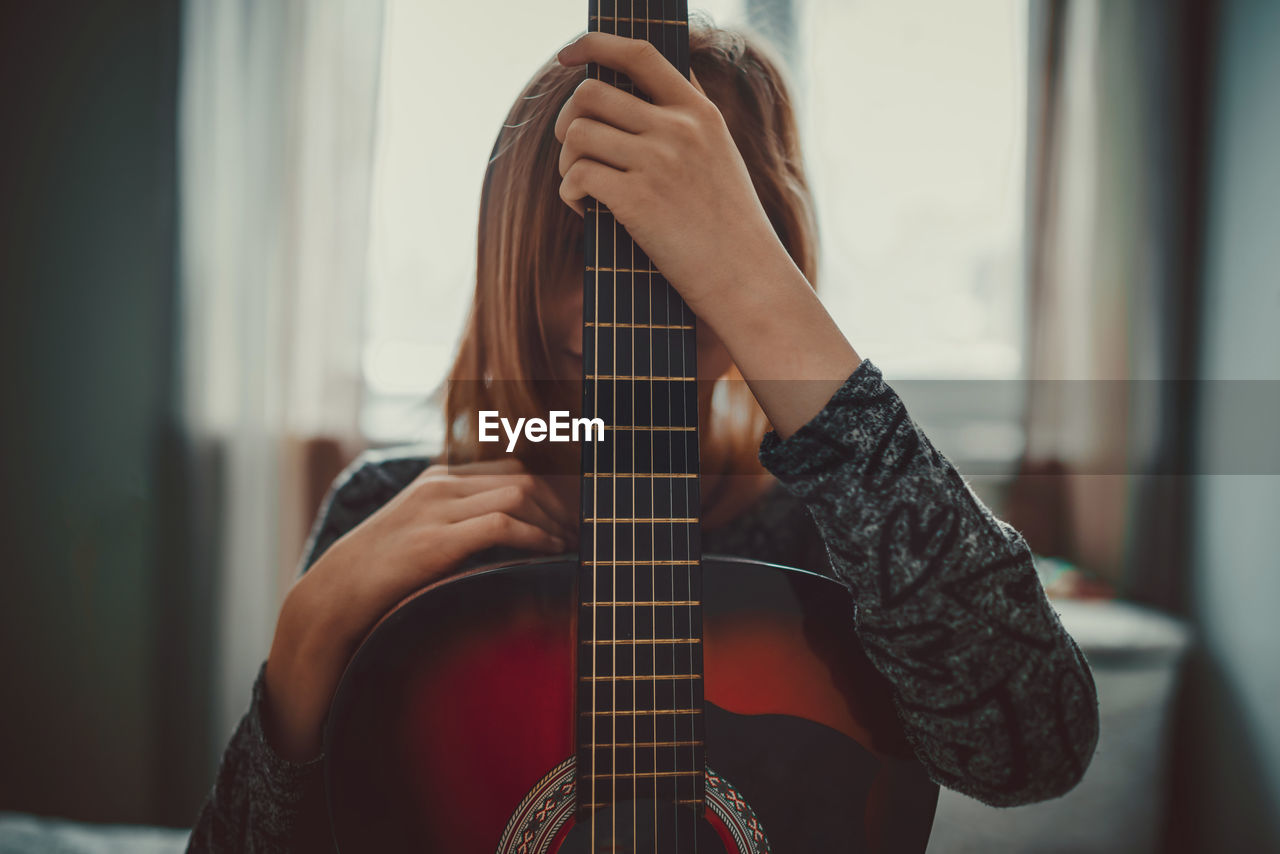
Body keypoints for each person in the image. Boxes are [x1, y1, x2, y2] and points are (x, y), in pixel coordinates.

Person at [188, 23, 1099, 852]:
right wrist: (307, 635)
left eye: (671, 254)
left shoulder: (837, 535)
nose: (617, 310)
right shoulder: (382, 511)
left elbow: (1033, 749)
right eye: (574, 254)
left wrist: (752, 279)